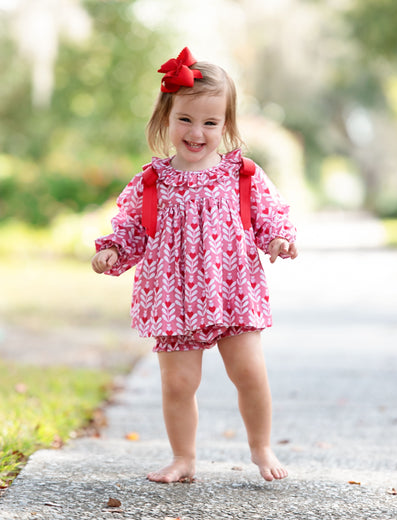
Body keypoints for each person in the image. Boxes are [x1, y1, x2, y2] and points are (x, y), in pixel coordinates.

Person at [92, 47, 298, 483]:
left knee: (249, 372)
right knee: (179, 384)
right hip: (174, 297)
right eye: (185, 119)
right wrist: (112, 250)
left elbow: (268, 216)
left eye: (210, 122)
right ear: (165, 118)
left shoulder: (240, 174)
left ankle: (261, 448)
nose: (197, 132)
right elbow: (131, 227)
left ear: (226, 125)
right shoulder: (151, 181)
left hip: (232, 291)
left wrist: (278, 240)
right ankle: (183, 457)